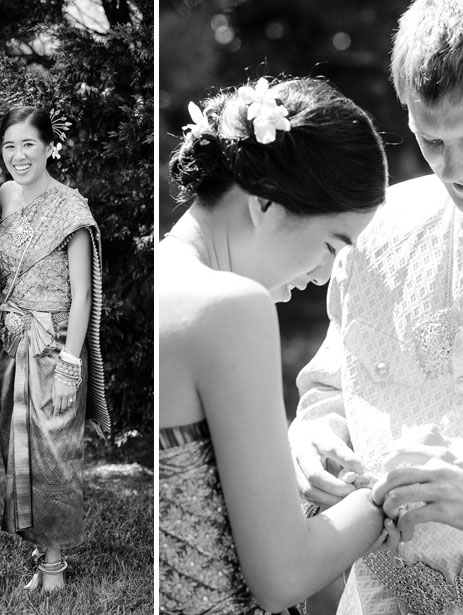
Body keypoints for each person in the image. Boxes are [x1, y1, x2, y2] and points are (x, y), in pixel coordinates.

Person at [289, 1, 463, 613]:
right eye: (430, 140)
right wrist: (312, 441)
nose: (454, 167)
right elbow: (332, 388)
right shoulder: (376, 228)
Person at [159, 76, 397, 615]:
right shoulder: (230, 307)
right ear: (266, 205)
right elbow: (283, 576)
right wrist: (385, 496)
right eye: (332, 244)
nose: (323, 274)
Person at [0, 106, 109, 592]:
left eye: (28, 145)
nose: (18, 156)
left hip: (55, 343)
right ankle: (39, 547)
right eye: (8, 146)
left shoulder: (70, 210)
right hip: (10, 340)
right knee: (16, 447)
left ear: (48, 147)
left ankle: (55, 565)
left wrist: (70, 366)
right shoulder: (1, 196)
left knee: (55, 452)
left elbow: (83, 294)